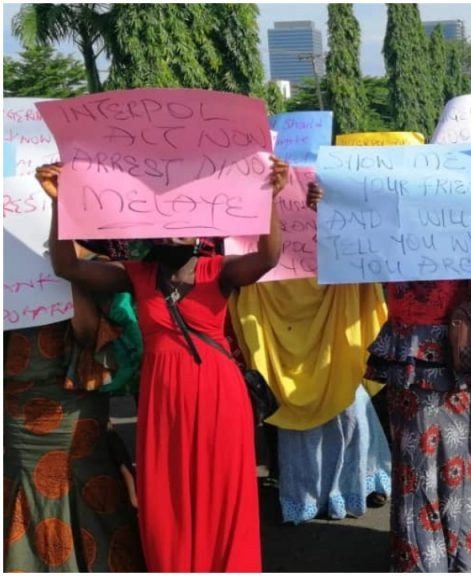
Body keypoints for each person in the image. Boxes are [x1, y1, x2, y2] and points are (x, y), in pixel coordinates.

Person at [37, 156, 288, 572]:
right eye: (166, 224)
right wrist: (59, 202)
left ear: (201, 229)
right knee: (167, 494)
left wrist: (271, 200)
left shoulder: (218, 271)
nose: (175, 233)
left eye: (184, 223)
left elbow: (268, 258)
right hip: (161, 401)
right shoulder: (136, 273)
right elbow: (68, 267)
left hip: (218, 396)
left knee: (222, 489)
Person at [307, 174, 471, 573]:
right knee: (418, 461)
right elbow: (348, 244)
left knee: (452, 458)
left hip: (451, 356)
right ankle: (428, 561)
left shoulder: (462, 227)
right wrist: (326, 208)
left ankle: (455, 558)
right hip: (411, 360)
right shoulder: (388, 235)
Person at [230, 182, 392, 524]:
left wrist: (329, 211)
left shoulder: (324, 196)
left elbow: (361, 252)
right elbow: (253, 258)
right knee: (296, 419)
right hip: (273, 297)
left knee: (352, 409)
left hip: (331, 300)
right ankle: (308, 495)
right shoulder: (257, 204)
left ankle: (361, 482)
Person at [4, 264, 145, 572]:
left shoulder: (87, 264)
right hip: (18, 413)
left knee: (89, 490)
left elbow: (91, 335)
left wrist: (66, 271)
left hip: (77, 412)